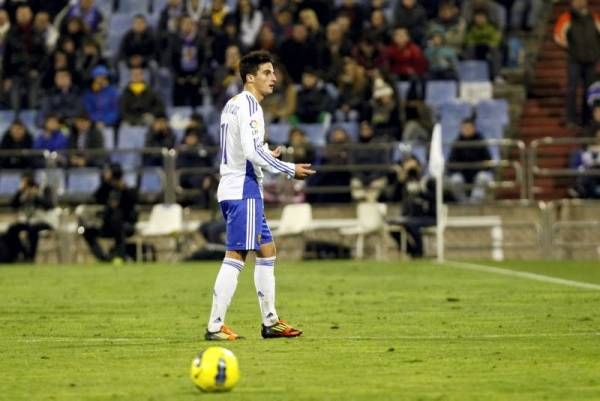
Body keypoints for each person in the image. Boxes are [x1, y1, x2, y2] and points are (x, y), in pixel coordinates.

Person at [204, 50, 315, 341]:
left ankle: (270, 321)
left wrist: (267, 153)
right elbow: (251, 151)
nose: (274, 78)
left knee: (267, 250)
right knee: (237, 255)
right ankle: (215, 326)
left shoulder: (232, 104)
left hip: (232, 186)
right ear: (250, 77)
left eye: (274, 72)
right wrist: (289, 168)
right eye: (267, 73)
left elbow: (245, 148)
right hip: (244, 189)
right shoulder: (251, 105)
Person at [554, 0, 600, 127]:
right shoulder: (566, 17)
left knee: (589, 90)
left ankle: (587, 119)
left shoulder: (594, 17)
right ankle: (571, 119)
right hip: (574, 59)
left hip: (591, 59)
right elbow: (558, 36)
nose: (577, 2)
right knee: (572, 89)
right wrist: (570, 48)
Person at [81, 163, 138, 262]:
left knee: (117, 220)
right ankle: (104, 258)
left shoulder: (127, 190)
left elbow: (132, 208)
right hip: (107, 225)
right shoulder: (106, 188)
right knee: (87, 231)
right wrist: (106, 184)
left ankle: (120, 256)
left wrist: (121, 189)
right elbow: (95, 198)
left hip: (125, 225)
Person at [5, 171, 55, 262]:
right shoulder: (22, 192)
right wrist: (20, 191)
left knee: (33, 229)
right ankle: (24, 253)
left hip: (44, 221)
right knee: (12, 230)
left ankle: (31, 257)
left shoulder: (44, 189)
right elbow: (13, 205)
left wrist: (36, 196)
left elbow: (50, 205)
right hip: (28, 221)